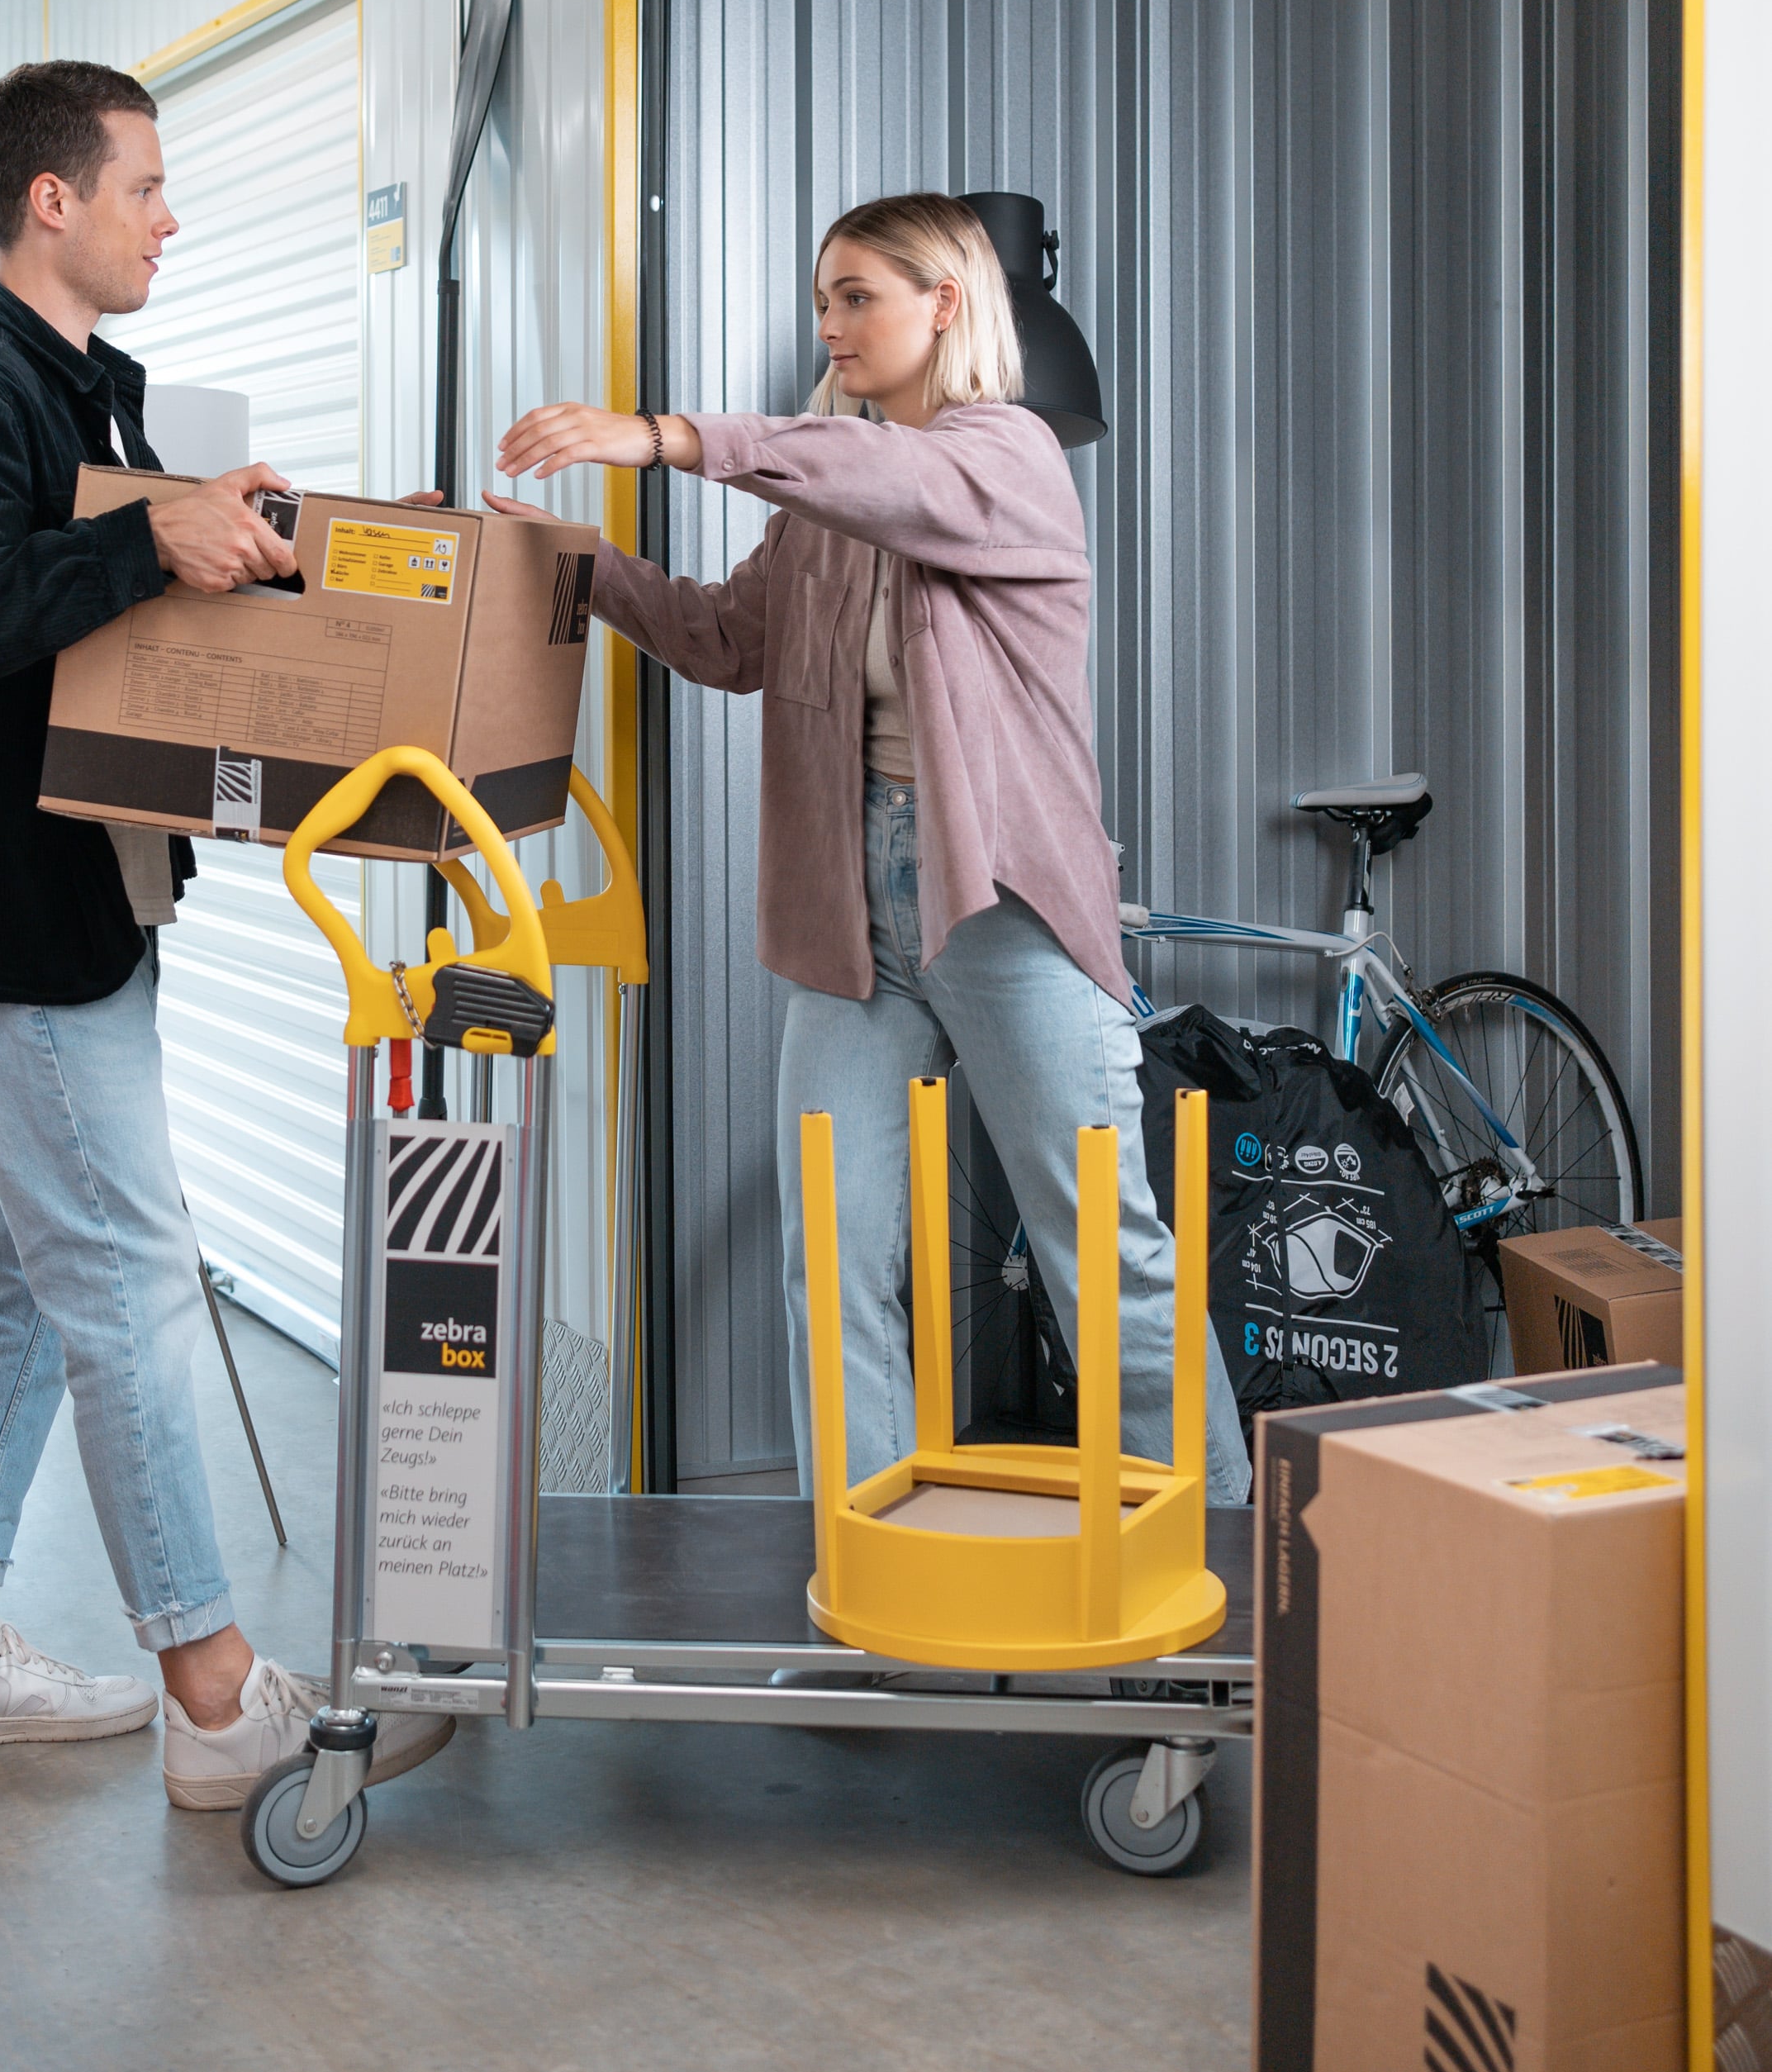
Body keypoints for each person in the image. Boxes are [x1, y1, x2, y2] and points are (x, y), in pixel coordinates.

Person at [0, 57, 451, 1804]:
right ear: (56, 199)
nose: (168, 217)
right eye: (146, 187)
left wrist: (217, 524)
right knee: (126, 1276)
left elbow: (98, 591)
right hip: (17, 922)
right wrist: (142, 546)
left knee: (38, 1281)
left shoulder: (81, 397)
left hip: (78, 905)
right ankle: (211, 1685)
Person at [491, 190, 1250, 1504]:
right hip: (853, 914)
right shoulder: (825, 505)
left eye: (859, 297)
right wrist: (560, 559)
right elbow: (727, 639)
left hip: (1000, 904)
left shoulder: (1005, 457)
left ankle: (1224, 1598)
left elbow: (892, 480)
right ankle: (863, 1561)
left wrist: (670, 436)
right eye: (823, 299)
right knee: (831, 1255)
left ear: (943, 305)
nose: (832, 324)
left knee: (1104, 1253)